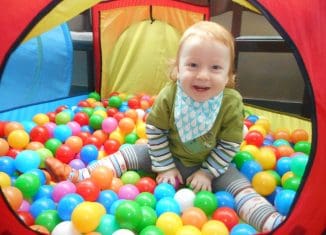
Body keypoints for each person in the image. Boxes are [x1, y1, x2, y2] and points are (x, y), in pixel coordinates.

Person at [46, 21, 284, 232]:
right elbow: (155, 131)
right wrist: (165, 166)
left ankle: (274, 221)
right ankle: (80, 175)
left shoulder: (231, 102)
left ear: (228, 75)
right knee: (131, 153)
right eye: (192, 65)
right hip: (167, 154)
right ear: (177, 68)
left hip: (210, 163)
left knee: (239, 186)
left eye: (215, 68)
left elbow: (229, 143)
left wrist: (207, 172)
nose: (202, 75)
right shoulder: (169, 95)